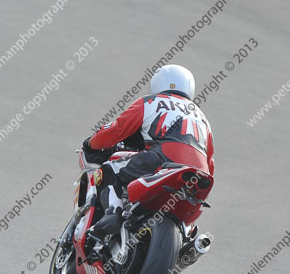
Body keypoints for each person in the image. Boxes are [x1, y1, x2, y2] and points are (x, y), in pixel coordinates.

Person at [83, 64, 215, 237]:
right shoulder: (203, 118)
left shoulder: (150, 102)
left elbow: (118, 129)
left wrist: (92, 143)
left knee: (108, 170)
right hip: (201, 173)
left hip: (162, 159)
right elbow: (210, 160)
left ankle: (112, 215)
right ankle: (186, 238)